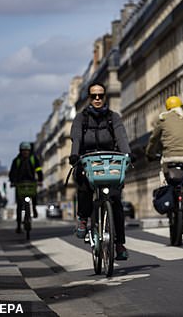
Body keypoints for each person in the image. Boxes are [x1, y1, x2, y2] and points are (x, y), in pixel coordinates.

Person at [69, 82, 132, 260]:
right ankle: (83, 219)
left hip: (110, 162)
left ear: (105, 97)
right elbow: (76, 137)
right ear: (89, 98)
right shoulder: (81, 118)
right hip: (87, 161)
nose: (97, 99)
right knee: (83, 187)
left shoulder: (113, 117)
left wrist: (128, 154)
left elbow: (121, 136)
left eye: (100, 95)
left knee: (116, 202)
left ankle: (119, 244)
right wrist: (74, 155)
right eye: (93, 96)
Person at [145, 95, 183, 234]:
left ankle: (167, 198)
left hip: (169, 159)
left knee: (165, 180)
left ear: (168, 108)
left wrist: (149, 154)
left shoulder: (163, 119)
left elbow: (153, 139)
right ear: (181, 107)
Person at [8, 142, 43, 232]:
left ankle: (34, 208)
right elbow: (12, 172)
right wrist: (12, 182)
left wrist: (40, 180)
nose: (25, 153)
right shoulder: (16, 160)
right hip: (20, 183)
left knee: (34, 195)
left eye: (27, 151)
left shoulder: (33, 159)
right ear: (20, 151)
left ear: (29, 151)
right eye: (23, 151)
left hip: (31, 182)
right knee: (19, 205)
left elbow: (39, 170)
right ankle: (19, 225)